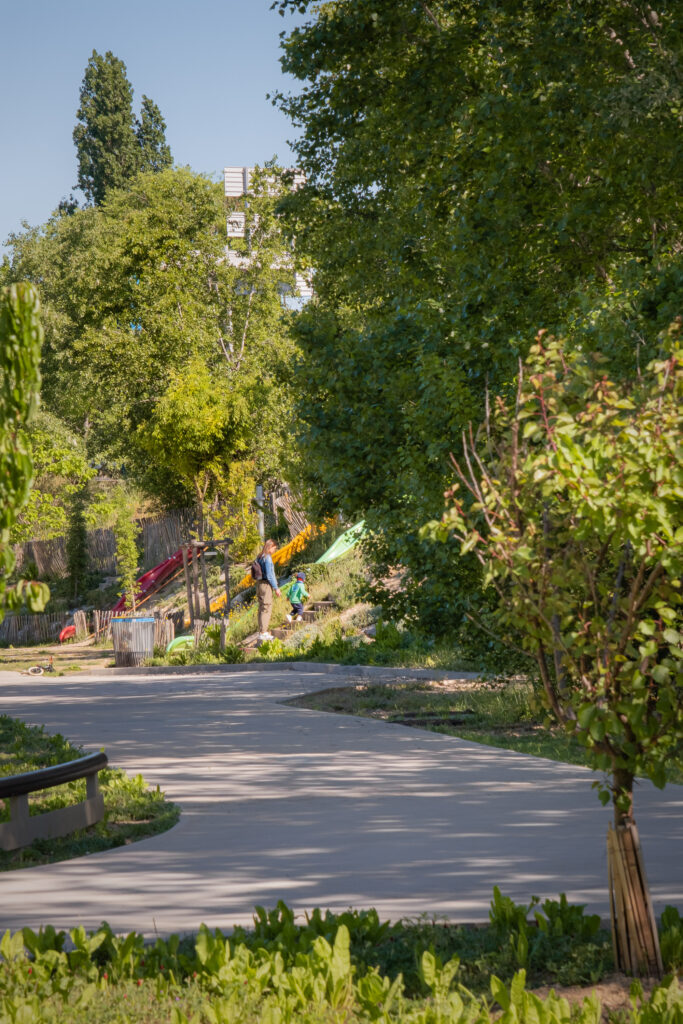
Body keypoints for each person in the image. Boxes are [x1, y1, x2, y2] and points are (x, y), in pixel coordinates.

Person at [255, 539, 281, 641]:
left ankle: (261, 631)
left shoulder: (259, 557)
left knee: (261, 608)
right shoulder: (267, 558)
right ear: (270, 547)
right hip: (266, 585)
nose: (275, 550)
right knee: (266, 608)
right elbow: (270, 575)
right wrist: (276, 588)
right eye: (274, 548)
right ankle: (263, 633)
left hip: (259, 584)